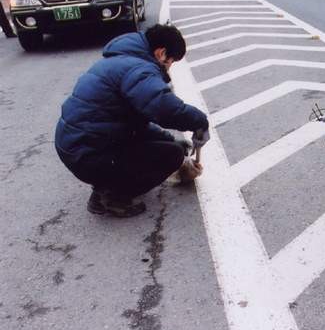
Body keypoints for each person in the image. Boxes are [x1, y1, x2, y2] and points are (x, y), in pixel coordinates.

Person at [55, 24, 210, 217]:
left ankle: (104, 186)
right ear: (161, 53)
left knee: (170, 147)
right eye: (171, 61)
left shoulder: (120, 61)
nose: (169, 67)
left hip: (78, 146)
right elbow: (164, 108)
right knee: (172, 156)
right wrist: (200, 122)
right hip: (88, 153)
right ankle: (111, 196)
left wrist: (169, 139)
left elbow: (135, 125)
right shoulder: (139, 70)